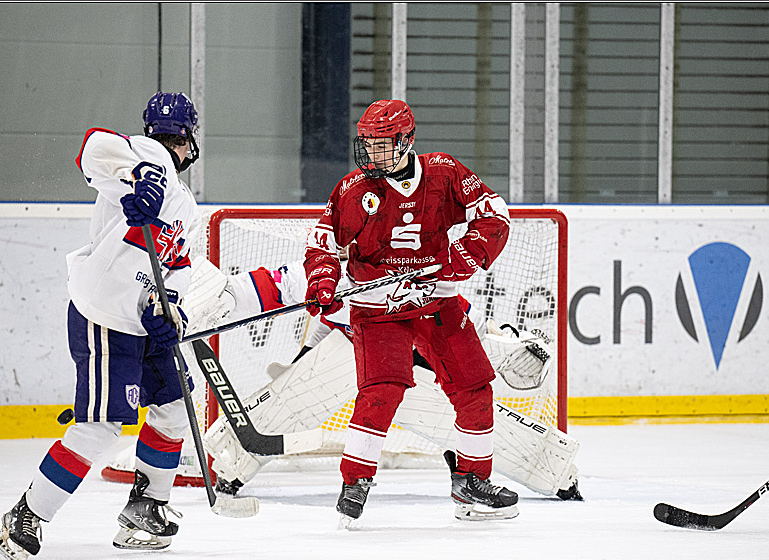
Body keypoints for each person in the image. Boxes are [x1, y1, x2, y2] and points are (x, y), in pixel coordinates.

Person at [0, 93, 201, 560]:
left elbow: (178, 267)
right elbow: (92, 148)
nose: (173, 146)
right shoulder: (144, 157)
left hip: (143, 323)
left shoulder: (185, 204)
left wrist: (170, 314)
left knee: (173, 405)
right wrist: (141, 176)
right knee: (102, 427)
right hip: (105, 317)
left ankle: (146, 508)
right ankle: (26, 515)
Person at [189, 259, 581, 502]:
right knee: (331, 362)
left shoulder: (415, 273)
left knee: (476, 423)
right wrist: (221, 298)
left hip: (408, 372)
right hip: (347, 357)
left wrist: (510, 343)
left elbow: (465, 322)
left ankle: (553, 470)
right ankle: (232, 463)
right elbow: (271, 286)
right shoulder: (328, 266)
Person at [304, 99, 519, 524]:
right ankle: (355, 481)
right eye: (366, 144)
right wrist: (322, 281)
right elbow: (322, 245)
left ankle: (471, 482)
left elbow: (496, 215)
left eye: (382, 145)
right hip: (377, 305)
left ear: (408, 141)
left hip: (437, 300)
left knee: (474, 387)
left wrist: (460, 259)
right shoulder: (353, 190)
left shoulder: (444, 172)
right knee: (383, 388)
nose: (370, 154)